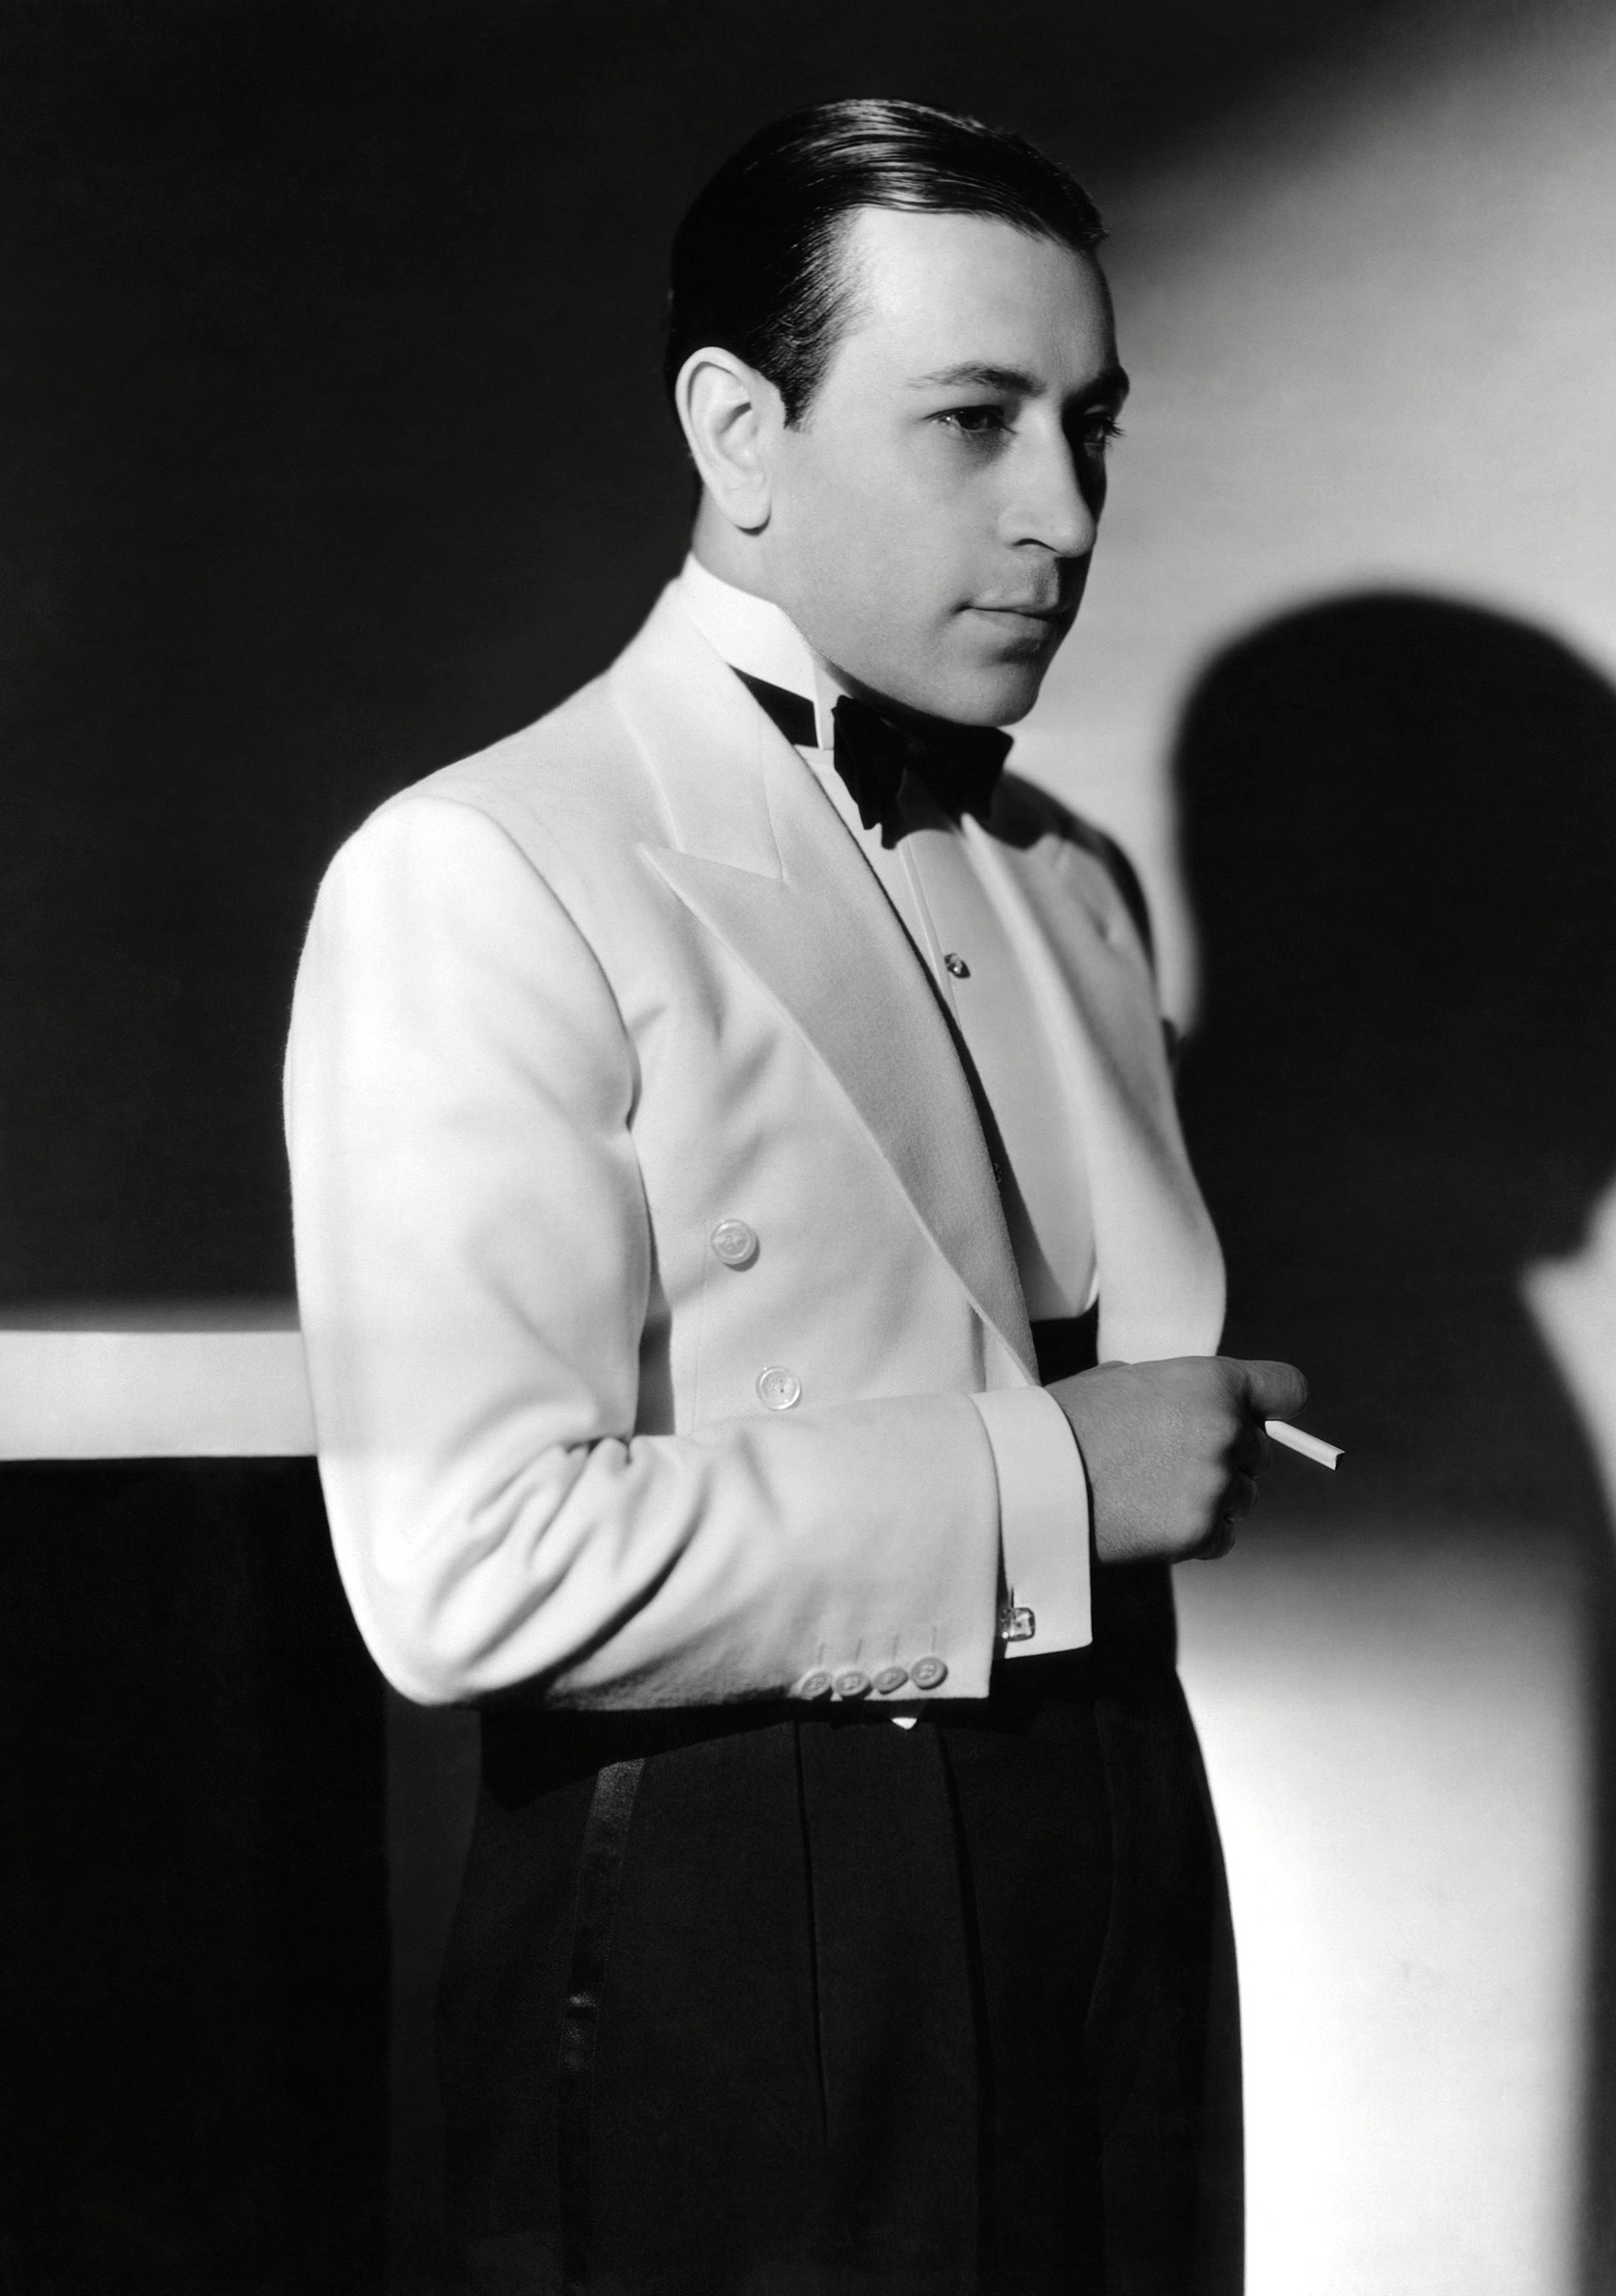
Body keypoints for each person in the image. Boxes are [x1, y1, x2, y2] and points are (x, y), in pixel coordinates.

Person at [285, 96, 1304, 2296]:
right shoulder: (483, 868)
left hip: (1123, 1850)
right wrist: (1058, 1478)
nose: (1063, 513)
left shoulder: (1075, 880)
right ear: (739, 432)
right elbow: (462, 1571)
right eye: (974, 420)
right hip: (742, 1920)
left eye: (1092, 428)